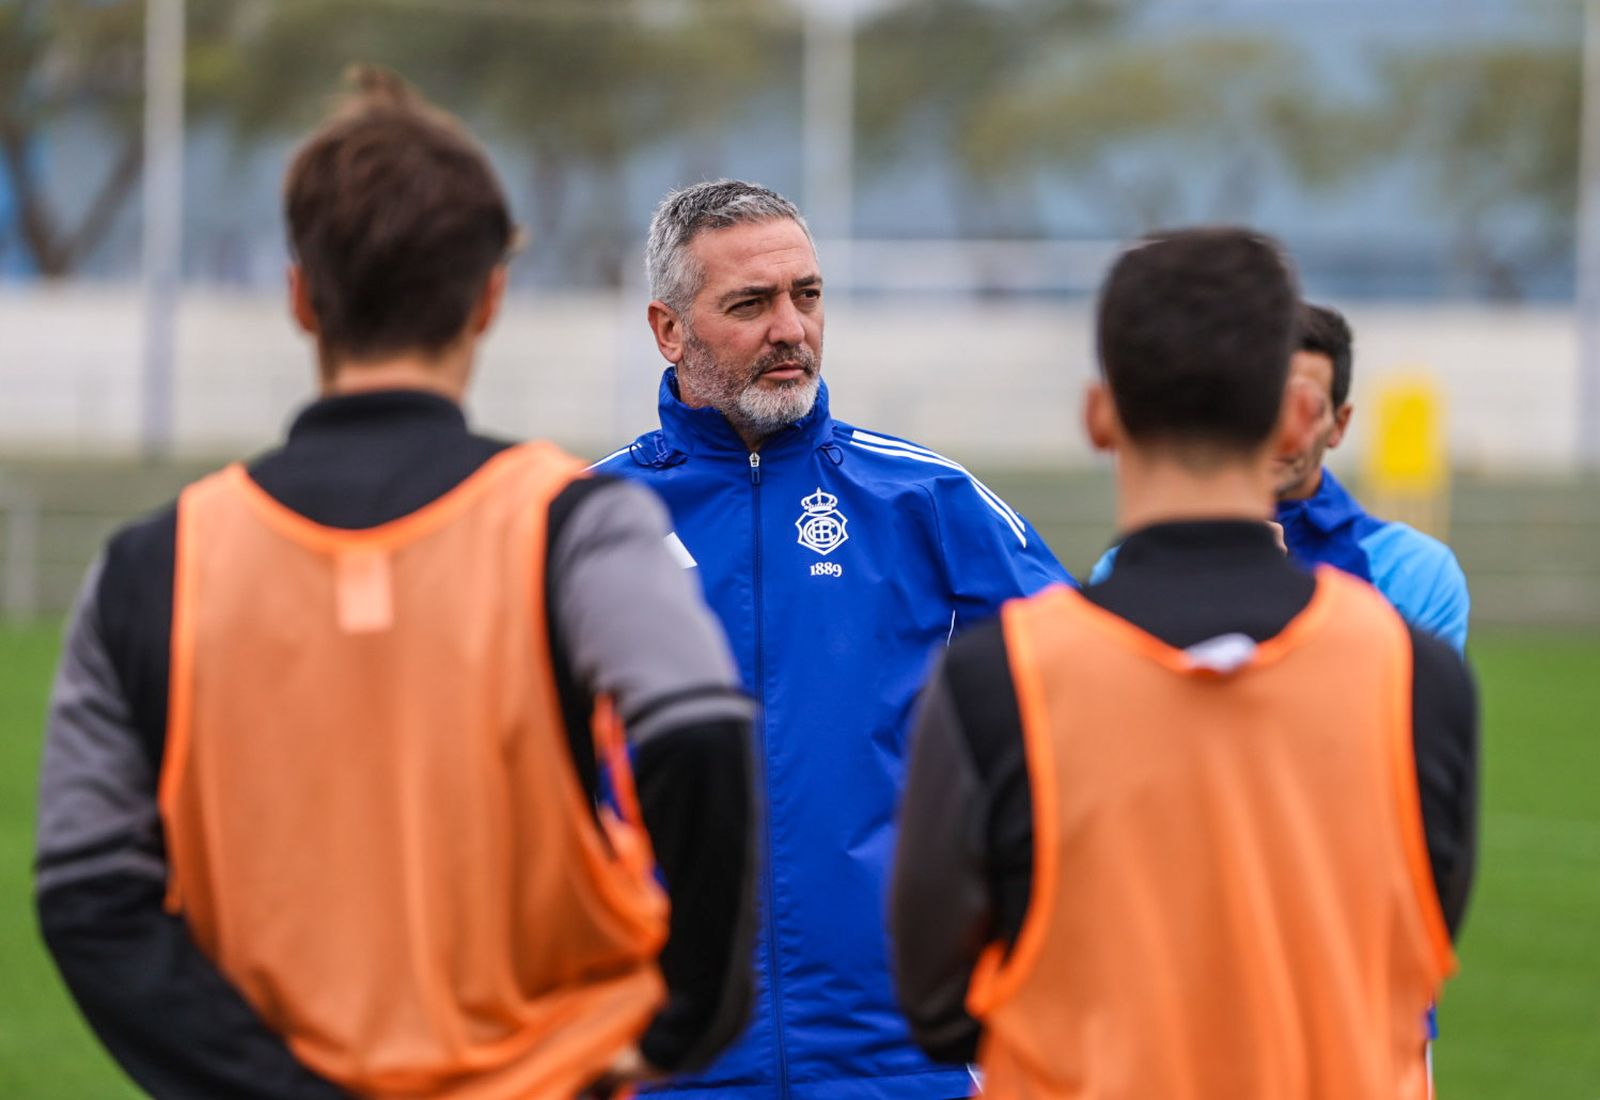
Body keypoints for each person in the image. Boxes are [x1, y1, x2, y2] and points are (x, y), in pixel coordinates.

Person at [35, 68, 757, 1100]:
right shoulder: (576, 524)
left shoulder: (150, 565)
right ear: (489, 297)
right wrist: (694, 1014)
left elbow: (86, 890)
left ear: (300, 296)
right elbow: (699, 729)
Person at [891, 227, 1478, 1099]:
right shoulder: (1417, 678)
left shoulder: (997, 678)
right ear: (1295, 414)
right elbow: (1413, 957)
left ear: (1100, 416)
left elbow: (935, 1001)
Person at [592, 179, 1071, 1099]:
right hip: (660, 1061)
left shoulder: (929, 501)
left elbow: (1098, 690)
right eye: (750, 304)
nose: (790, 328)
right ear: (667, 329)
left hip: (904, 1058)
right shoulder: (591, 522)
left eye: (806, 296)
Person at [1092, 302, 1470, 652]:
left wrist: (1272, 600)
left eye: (1303, 408)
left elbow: (1402, 721)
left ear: (1338, 425)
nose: (1277, 429)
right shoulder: (1128, 567)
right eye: (1259, 402)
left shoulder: (1414, 572)